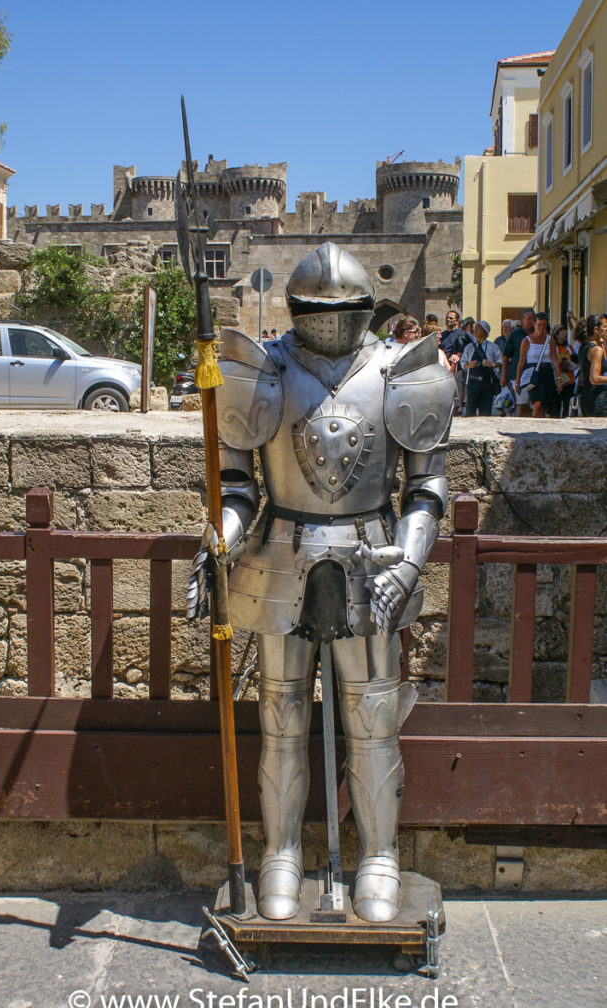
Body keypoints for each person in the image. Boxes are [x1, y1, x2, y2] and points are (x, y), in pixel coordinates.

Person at [189, 243, 457, 924]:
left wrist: (407, 560)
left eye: (343, 309)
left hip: (373, 559)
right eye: (317, 309)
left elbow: (425, 487)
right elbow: (238, 487)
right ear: (294, 309)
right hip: (282, 556)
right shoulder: (263, 369)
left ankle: (377, 856)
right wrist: (217, 541)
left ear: (367, 308)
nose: (331, 321)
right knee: (280, 724)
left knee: (372, 727)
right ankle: (279, 852)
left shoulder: (404, 370)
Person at [460, 321, 503, 416]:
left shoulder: (492, 347)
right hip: (472, 383)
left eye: (478, 328)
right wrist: (469, 365)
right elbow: (462, 363)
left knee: (485, 413)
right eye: (475, 328)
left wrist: (491, 364)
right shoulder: (469, 347)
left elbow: (500, 361)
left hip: (487, 384)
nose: (475, 330)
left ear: (485, 331)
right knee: (470, 411)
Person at [515, 312, 553, 417]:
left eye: (544, 325)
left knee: (544, 406)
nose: (541, 328)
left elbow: (554, 359)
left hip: (546, 372)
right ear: (534, 324)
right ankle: (534, 423)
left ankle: (540, 426)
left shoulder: (550, 340)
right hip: (533, 373)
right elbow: (521, 362)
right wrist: (517, 382)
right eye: (539, 325)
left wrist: (558, 378)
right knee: (537, 403)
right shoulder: (526, 340)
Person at [576, 314, 607, 416]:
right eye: (605, 327)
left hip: (586, 397)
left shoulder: (584, 347)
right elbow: (594, 378)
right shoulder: (597, 350)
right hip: (598, 399)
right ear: (596, 329)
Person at [502, 308, 535, 390]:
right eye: (529, 319)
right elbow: (506, 355)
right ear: (522, 319)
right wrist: (504, 376)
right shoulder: (515, 334)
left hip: (534, 375)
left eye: (533, 319)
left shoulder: (537, 333)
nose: (531, 321)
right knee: (521, 402)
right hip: (518, 375)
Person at [549, 323, 577, 418]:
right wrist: (557, 363)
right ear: (556, 334)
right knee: (555, 405)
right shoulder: (551, 348)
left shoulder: (569, 348)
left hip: (569, 380)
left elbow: (576, 366)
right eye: (562, 332)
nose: (565, 333)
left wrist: (568, 363)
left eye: (565, 332)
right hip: (555, 380)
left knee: (566, 405)